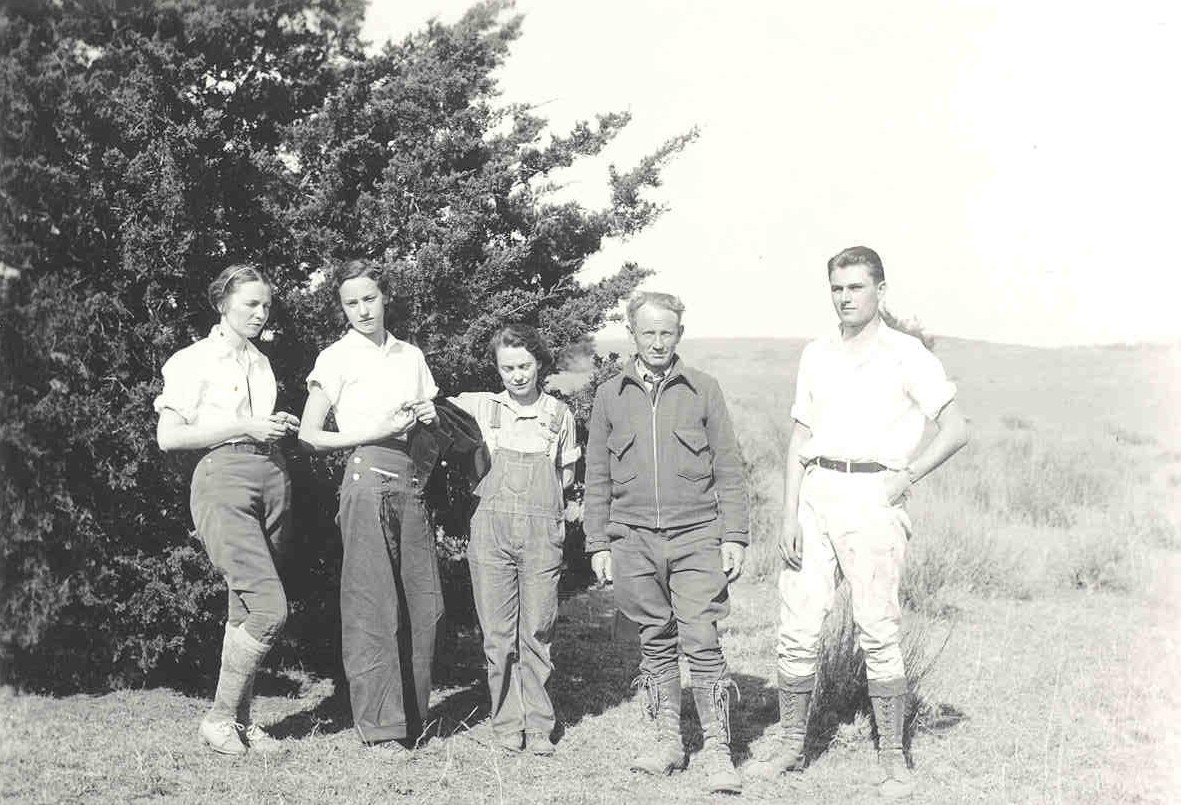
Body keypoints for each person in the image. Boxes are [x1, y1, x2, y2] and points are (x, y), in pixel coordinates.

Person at [746, 246, 970, 798]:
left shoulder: (907, 354)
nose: (846, 298)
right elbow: (801, 438)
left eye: (856, 288)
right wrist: (790, 513)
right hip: (816, 491)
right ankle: (791, 745)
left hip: (873, 494)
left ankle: (894, 759)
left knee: (877, 627)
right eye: (837, 289)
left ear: (880, 291)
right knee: (797, 623)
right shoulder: (817, 353)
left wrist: (907, 475)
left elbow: (956, 428)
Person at [584, 291, 750, 795]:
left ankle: (719, 751)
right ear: (631, 334)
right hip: (632, 538)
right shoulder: (610, 396)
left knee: (702, 638)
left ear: (679, 334)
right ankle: (667, 742)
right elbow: (596, 476)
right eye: (647, 332)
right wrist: (598, 543)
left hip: (697, 535)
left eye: (667, 332)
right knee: (654, 640)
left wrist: (735, 535)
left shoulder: (703, 390)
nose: (657, 342)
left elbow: (729, 467)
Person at [154, 263, 300, 755]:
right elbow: (169, 437)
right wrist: (243, 425)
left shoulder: (261, 361)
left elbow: (256, 425)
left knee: (244, 604)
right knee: (269, 606)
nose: (261, 314)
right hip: (223, 479)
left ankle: (239, 720)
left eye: (266, 306)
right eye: (250, 304)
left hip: (272, 477)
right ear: (222, 304)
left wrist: (273, 423)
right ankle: (218, 719)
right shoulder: (192, 360)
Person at [297, 259, 440, 750]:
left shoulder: (410, 355)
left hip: (410, 478)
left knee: (425, 602)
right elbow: (309, 435)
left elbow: (430, 432)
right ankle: (380, 727)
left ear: (385, 299)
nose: (362, 309)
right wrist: (374, 430)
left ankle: (414, 720)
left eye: (370, 299)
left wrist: (428, 415)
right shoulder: (335, 357)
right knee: (371, 601)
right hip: (364, 477)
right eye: (351, 302)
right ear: (342, 308)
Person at [449, 324, 580, 756]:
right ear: (498, 369)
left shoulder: (559, 416)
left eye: (525, 365)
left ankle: (539, 725)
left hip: (542, 533)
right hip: (491, 533)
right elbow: (428, 403)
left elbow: (565, 479)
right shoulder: (482, 408)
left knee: (538, 628)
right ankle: (506, 722)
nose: (517, 375)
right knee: (498, 635)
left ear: (539, 363)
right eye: (508, 367)